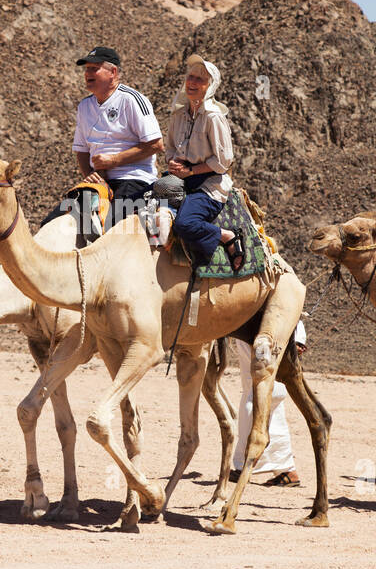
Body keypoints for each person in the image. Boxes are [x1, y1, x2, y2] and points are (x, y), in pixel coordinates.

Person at [42, 46, 163, 234]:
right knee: (50, 225)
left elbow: (156, 144)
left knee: (111, 228)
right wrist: (89, 174)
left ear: (112, 72)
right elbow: (81, 149)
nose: (88, 73)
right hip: (100, 182)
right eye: (86, 69)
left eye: (94, 68)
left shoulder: (131, 99)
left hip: (133, 179)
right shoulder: (84, 106)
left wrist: (114, 160)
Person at [160, 54, 242, 269]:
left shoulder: (213, 117)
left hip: (207, 183)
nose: (193, 83)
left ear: (210, 87)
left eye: (200, 80)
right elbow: (169, 147)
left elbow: (224, 161)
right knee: (138, 205)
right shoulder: (178, 115)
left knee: (185, 224)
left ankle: (225, 236)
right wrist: (172, 163)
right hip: (179, 178)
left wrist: (192, 171)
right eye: (191, 77)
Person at [230, 322, 307, 486]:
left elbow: (287, 301)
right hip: (252, 331)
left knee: (255, 400)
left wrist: (298, 339)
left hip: (264, 334)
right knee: (266, 405)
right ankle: (284, 470)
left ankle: (246, 466)